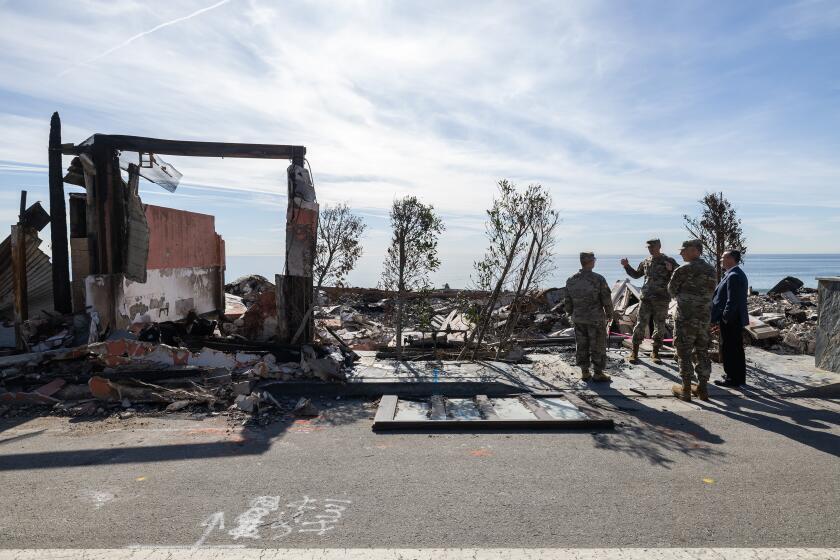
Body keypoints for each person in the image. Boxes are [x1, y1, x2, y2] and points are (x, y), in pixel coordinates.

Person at [667, 240, 716, 401]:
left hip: (685, 320)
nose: (681, 253)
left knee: (684, 353)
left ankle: (686, 389)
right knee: (702, 351)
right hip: (704, 319)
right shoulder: (711, 270)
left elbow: (671, 290)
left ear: (695, 250)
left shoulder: (683, 270)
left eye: (684, 250)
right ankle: (703, 388)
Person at [620, 239, 678, 364]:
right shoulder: (646, 261)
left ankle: (655, 352)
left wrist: (671, 269)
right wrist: (626, 266)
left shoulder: (669, 261)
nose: (651, 249)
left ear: (659, 246)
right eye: (649, 247)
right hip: (646, 298)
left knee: (660, 325)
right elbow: (636, 275)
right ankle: (634, 352)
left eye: (653, 247)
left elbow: (679, 275)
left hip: (661, 298)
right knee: (640, 324)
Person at [564, 252, 614, 382]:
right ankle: (598, 373)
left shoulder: (571, 280)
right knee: (597, 345)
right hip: (595, 319)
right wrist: (610, 314)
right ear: (591, 262)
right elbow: (606, 300)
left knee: (581, 345)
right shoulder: (598, 279)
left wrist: (570, 314)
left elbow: (568, 302)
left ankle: (584, 372)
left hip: (579, 319)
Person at [711, 250, 749, 387]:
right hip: (734, 318)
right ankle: (737, 376)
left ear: (731, 259)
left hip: (731, 319)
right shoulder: (733, 274)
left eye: (723, 257)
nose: (720, 259)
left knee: (730, 348)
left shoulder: (734, 275)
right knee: (735, 348)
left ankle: (732, 378)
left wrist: (725, 318)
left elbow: (732, 301)